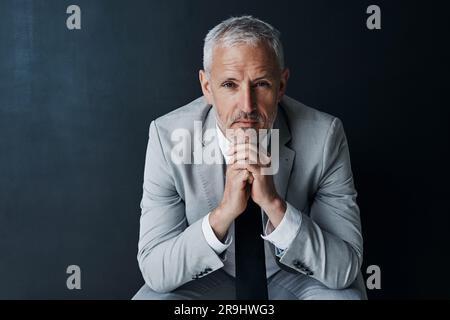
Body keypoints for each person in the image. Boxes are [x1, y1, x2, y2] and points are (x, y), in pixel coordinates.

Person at [133, 15, 366, 300]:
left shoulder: (324, 136)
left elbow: (344, 269)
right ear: (207, 87)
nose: (247, 106)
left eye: (261, 84)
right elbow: (156, 271)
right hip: (206, 281)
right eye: (229, 85)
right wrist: (222, 214)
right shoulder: (167, 137)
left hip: (294, 278)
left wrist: (275, 205)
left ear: (281, 86)